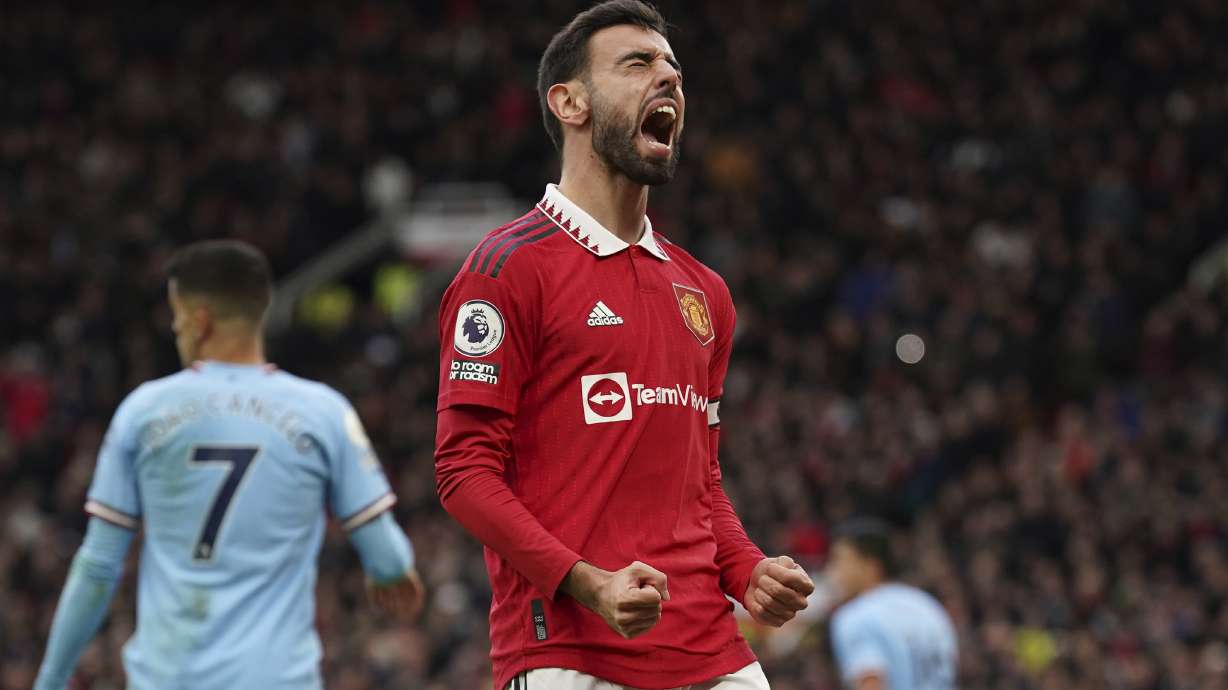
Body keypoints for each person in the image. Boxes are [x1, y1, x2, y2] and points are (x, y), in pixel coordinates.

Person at [433, 2, 814, 688]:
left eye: (673, 69)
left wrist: (746, 567)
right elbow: (463, 473)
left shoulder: (706, 293)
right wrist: (587, 584)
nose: (666, 79)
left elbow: (702, 484)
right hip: (572, 655)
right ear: (569, 101)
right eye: (637, 64)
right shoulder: (507, 268)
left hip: (715, 655)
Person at [33, 240, 424, 690]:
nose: (177, 330)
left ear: (200, 321)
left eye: (177, 318)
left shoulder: (143, 412)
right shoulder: (324, 413)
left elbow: (99, 566)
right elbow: (387, 554)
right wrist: (389, 573)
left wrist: (52, 678)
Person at [828, 518, 958, 690]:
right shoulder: (928, 606)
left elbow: (871, 682)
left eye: (840, 561)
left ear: (870, 566)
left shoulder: (856, 615)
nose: (833, 572)